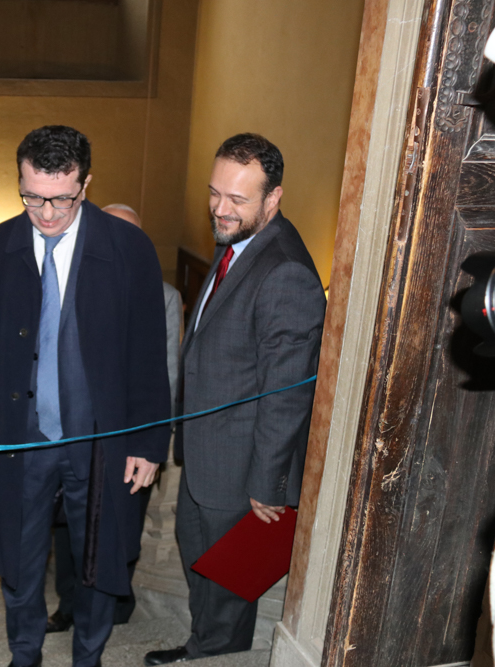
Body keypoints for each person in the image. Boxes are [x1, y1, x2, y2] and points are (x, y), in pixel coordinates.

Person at [0, 126, 171, 667]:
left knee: (98, 557)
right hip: (21, 435)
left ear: (86, 184)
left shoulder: (128, 248)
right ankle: (25, 654)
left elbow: (147, 354)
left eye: (61, 199)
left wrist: (148, 441)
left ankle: (88, 655)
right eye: (32, 196)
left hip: (100, 437)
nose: (45, 213)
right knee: (19, 561)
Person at [144, 133, 325, 664]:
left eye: (238, 199)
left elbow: (286, 394)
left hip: (241, 469)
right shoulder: (237, 241)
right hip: (207, 453)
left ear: (273, 199)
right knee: (200, 564)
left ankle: (216, 655)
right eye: (214, 193)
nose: (220, 209)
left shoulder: (285, 271)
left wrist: (268, 485)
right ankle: (201, 646)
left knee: (228, 587)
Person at [46, 203, 184, 633]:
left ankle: (114, 605)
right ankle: (68, 604)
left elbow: (164, 369)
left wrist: (151, 436)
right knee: (67, 526)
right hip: (73, 433)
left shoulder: (163, 294)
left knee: (121, 526)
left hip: (128, 435)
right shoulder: (66, 277)